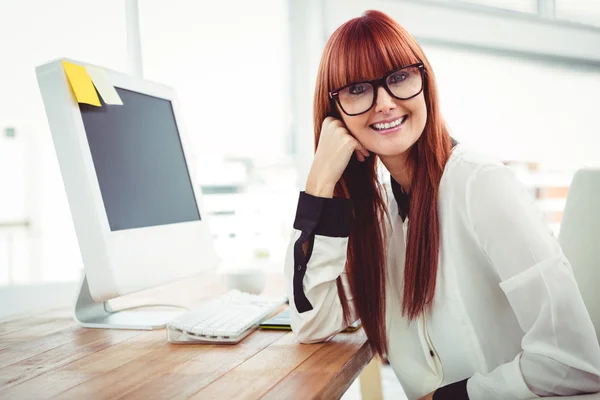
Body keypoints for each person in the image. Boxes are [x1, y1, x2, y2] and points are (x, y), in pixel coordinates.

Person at [284, 9, 600, 400]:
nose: (383, 103)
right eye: (357, 89)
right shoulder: (379, 214)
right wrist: (320, 184)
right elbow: (312, 322)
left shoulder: (479, 183)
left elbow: (574, 363)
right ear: (336, 113)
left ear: (424, 83)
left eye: (399, 78)